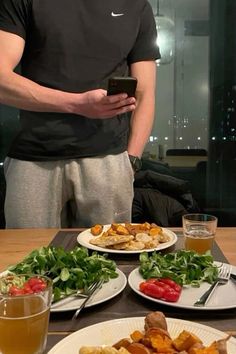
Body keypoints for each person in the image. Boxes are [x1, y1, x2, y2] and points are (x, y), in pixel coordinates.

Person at [0, 0, 160, 228]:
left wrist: (131, 160)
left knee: (110, 258)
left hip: (109, 160)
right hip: (32, 158)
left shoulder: (136, 6)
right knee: (28, 258)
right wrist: (77, 104)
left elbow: (145, 94)